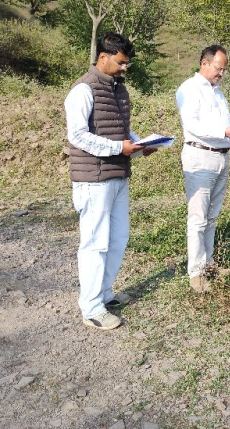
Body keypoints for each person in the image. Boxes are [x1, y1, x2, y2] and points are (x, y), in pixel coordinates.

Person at [65, 33, 153, 330]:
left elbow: (120, 131)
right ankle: (91, 308)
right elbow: (78, 135)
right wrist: (119, 148)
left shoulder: (118, 89)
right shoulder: (83, 90)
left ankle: (104, 294)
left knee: (117, 239)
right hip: (94, 179)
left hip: (118, 175)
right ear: (103, 57)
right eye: (121, 62)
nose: (125, 68)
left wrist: (140, 145)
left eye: (127, 63)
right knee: (95, 244)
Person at [176, 45, 230, 293]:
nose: (222, 74)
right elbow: (193, 125)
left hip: (221, 156)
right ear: (204, 63)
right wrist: (225, 131)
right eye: (219, 68)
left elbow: (225, 126)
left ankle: (208, 263)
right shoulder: (189, 89)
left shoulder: (218, 93)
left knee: (212, 215)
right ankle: (196, 273)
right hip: (200, 157)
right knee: (198, 217)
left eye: (224, 70)